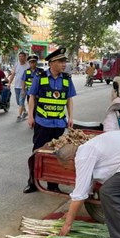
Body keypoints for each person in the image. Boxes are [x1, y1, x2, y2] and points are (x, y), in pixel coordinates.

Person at [24, 47, 76, 194]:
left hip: (59, 123)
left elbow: (69, 99)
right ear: (52, 63)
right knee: (38, 152)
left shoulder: (66, 79)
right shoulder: (40, 77)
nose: (64, 64)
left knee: (57, 153)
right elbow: (32, 97)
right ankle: (33, 182)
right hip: (42, 122)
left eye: (64, 61)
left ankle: (53, 184)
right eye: (61, 61)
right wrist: (30, 116)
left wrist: (70, 116)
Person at [8, 52, 29, 122]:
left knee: (21, 101)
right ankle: (25, 112)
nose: (21, 58)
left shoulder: (28, 66)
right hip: (16, 86)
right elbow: (13, 74)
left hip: (24, 87)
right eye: (19, 56)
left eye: (22, 56)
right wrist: (9, 83)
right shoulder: (16, 64)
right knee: (18, 102)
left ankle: (19, 115)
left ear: (25, 57)